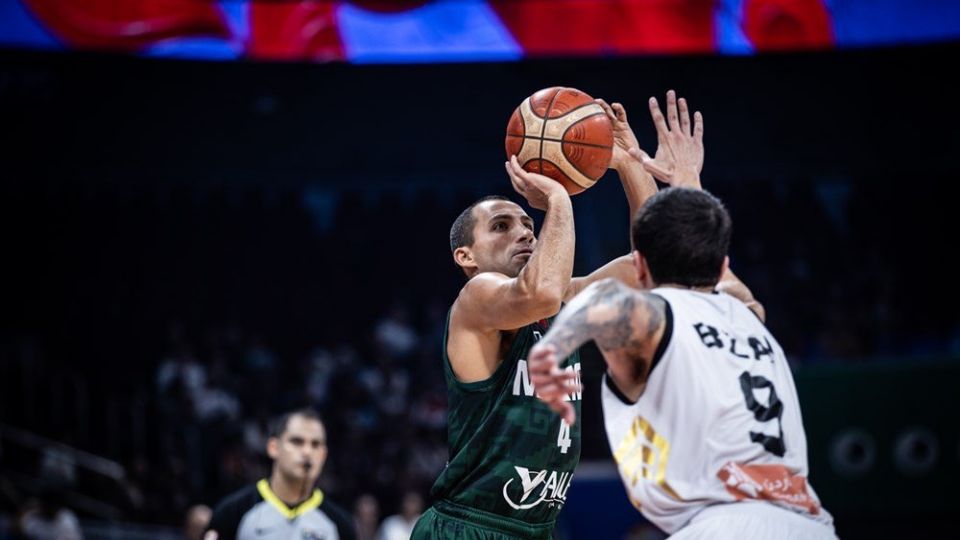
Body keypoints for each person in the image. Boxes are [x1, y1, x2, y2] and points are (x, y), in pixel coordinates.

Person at [527, 97, 836, 540]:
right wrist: (685, 185)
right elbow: (707, 264)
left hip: (722, 523)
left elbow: (605, 305)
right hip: (808, 523)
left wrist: (551, 351)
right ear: (722, 262)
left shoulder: (659, 318)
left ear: (641, 270)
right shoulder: (750, 316)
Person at [411, 93, 688, 540]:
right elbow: (541, 293)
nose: (523, 230)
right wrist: (558, 194)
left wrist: (627, 163)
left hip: (535, 528)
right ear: (466, 256)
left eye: (527, 223)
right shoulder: (477, 297)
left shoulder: (563, 299)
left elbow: (653, 268)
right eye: (501, 226)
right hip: (471, 525)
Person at [205, 408, 355, 540]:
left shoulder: (340, 525)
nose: (307, 452)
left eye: (315, 445)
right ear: (273, 447)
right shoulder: (232, 513)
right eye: (297, 442)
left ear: (323, 455)